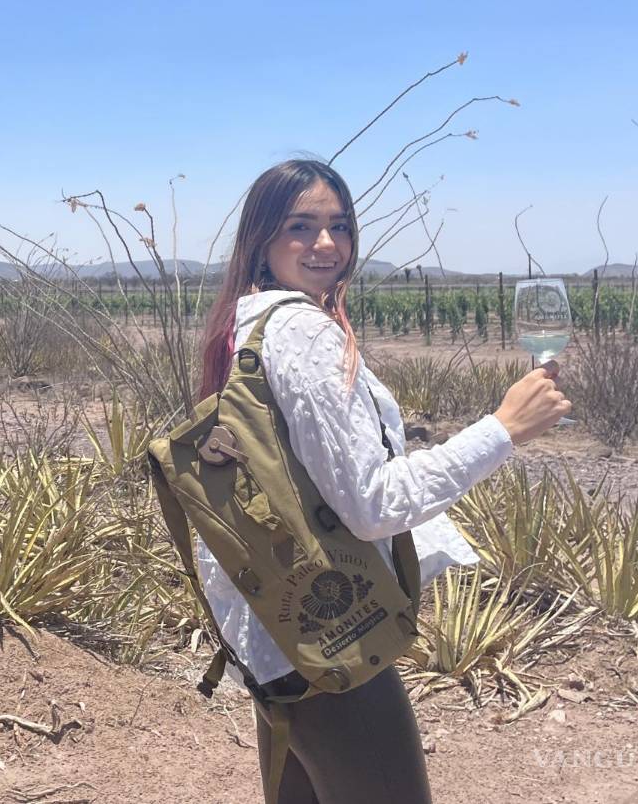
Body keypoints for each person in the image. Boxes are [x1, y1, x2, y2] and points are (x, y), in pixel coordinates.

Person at [196, 158, 571, 804]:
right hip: (331, 636)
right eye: (301, 226)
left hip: (274, 620)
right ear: (261, 237)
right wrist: (503, 428)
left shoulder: (246, 321)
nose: (326, 243)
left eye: (339, 225)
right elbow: (372, 503)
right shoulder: (302, 332)